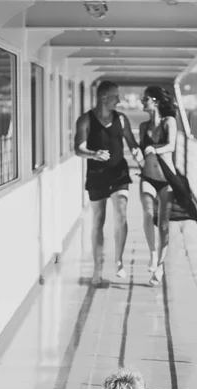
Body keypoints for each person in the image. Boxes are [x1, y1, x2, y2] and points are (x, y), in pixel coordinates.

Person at [75, 81, 144, 284]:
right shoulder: (85, 120)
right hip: (97, 174)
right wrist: (94, 154)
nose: (119, 100)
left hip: (119, 173)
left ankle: (119, 261)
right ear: (104, 97)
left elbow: (132, 145)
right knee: (99, 220)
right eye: (115, 96)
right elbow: (78, 149)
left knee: (121, 214)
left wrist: (144, 165)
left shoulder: (121, 119)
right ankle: (97, 268)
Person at [139, 86, 178, 285]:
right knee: (147, 213)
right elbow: (141, 151)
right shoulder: (144, 127)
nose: (141, 102)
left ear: (155, 100)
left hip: (166, 180)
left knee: (163, 225)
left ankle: (160, 267)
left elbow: (171, 145)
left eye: (144, 98)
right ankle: (153, 254)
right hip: (147, 176)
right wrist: (139, 156)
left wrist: (153, 149)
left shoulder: (168, 122)